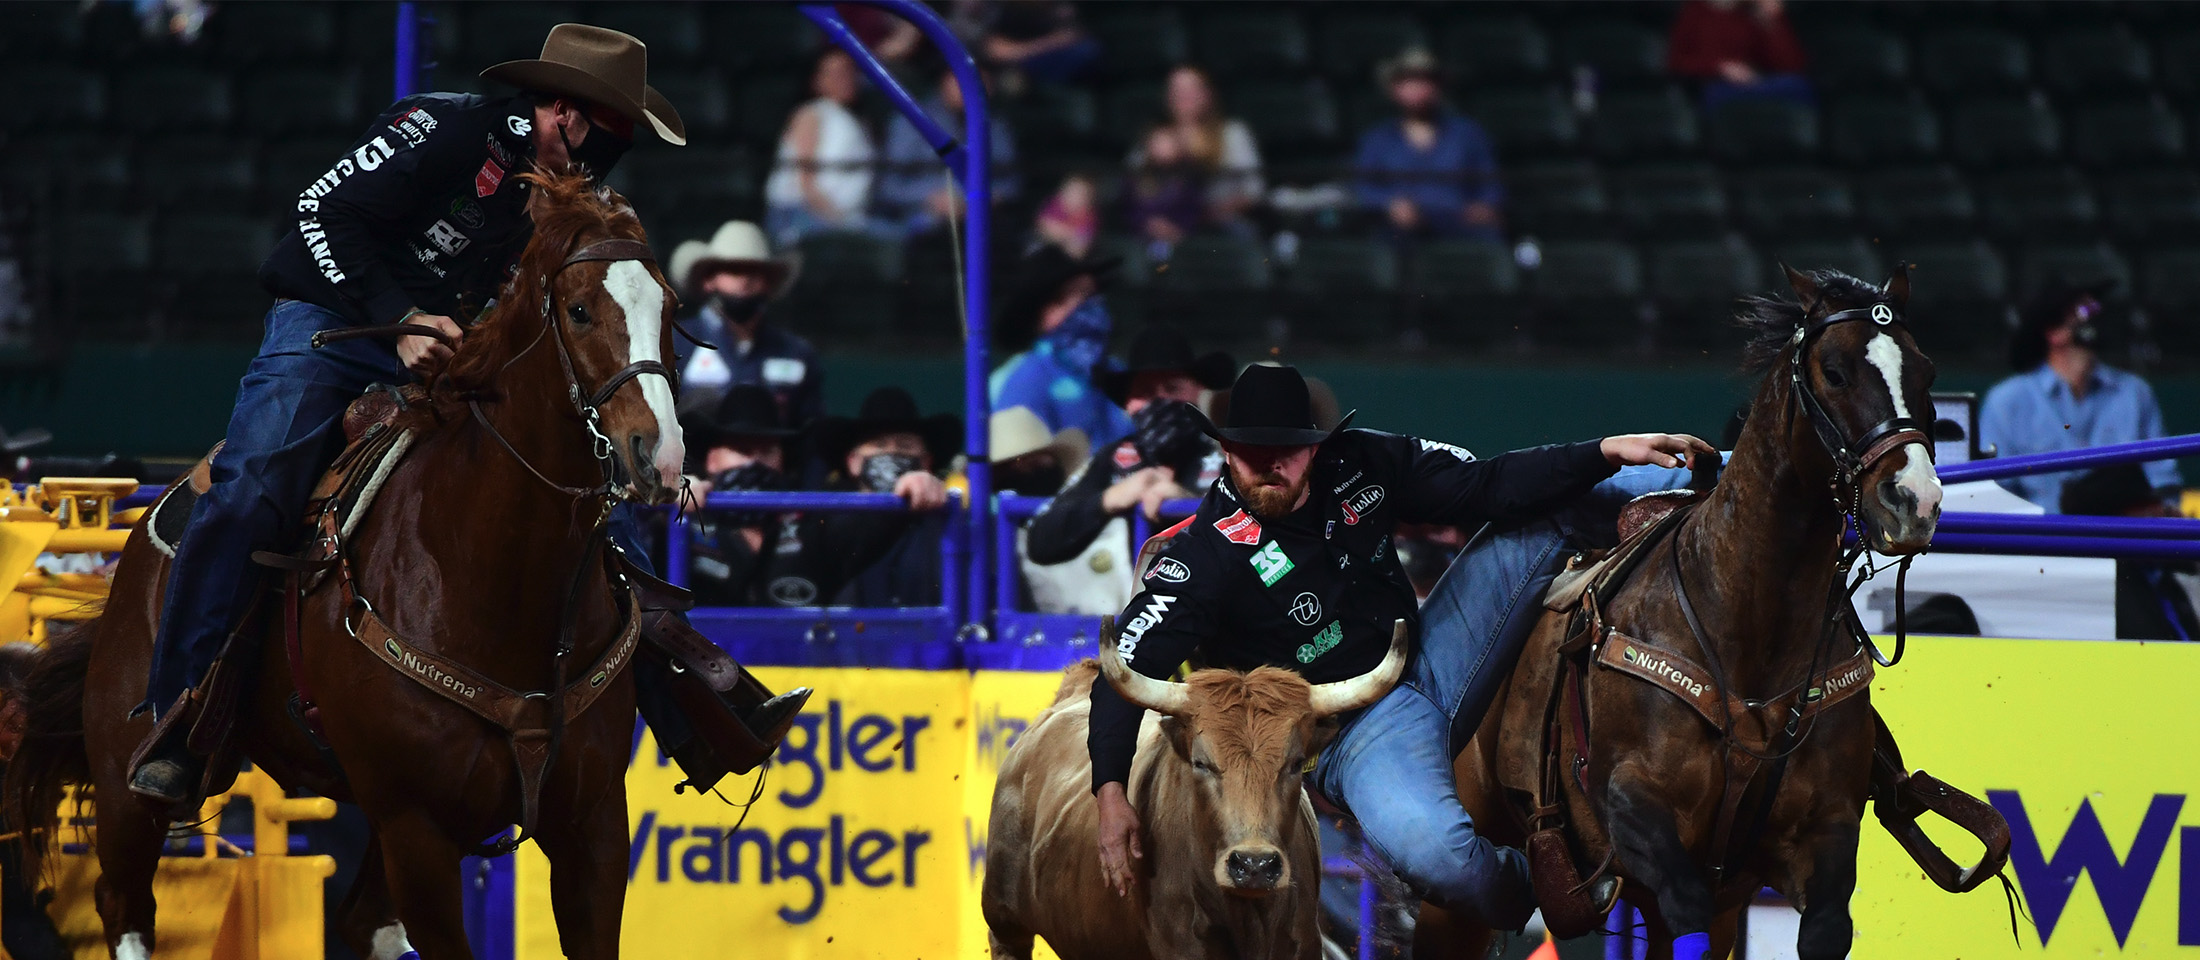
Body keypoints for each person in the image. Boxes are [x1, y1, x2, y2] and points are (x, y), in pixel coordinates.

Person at [130, 25, 804, 804]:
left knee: (576, 507)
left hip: (454, 349)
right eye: (606, 141)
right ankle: (176, 712)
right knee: (251, 489)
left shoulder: (571, 203)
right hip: (333, 328)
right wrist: (403, 316)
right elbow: (318, 216)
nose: (603, 164)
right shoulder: (443, 127)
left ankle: (695, 707)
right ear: (566, 113)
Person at [1087, 364, 1715, 936]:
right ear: (1226, 452)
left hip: (1434, 648)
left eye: (1288, 451)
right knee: (1442, 860)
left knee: (1562, 502)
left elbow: (1484, 486)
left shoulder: (1360, 461)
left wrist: (1605, 451)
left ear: (1315, 447)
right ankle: (1547, 886)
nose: (1270, 467)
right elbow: (1126, 666)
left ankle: (1739, 483)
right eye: (1252, 454)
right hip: (1351, 725)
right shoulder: (1205, 557)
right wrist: (1110, 792)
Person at [1979, 281, 2180, 513]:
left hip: (2122, 540)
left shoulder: (2134, 393)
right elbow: (1994, 491)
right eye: (2083, 311)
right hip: (2039, 541)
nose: (2094, 317)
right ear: (2054, 332)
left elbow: (2164, 481)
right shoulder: (2008, 401)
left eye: (2095, 309)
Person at [811, 387, 958, 606]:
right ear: (853, 462)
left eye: (905, 446)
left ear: (926, 463)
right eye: (879, 445)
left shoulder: (948, 526)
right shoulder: (823, 522)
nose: (891, 453)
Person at [667, 220, 822, 424]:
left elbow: (810, 432)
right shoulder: (674, 345)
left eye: (754, 271)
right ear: (708, 280)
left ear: (769, 282)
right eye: (733, 270)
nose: (744, 280)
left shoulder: (796, 353)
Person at [989, 244, 1131, 455]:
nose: (1083, 307)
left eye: (1089, 296)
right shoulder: (1026, 378)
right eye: (1063, 299)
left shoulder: (1120, 372)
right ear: (1039, 318)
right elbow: (1017, 469)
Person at [1353, 48, 1504, 243]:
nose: (1417, 88)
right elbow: (1362, 186)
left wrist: (1484, 205)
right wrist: (1389, 204)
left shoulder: (1468, 134)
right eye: (1408, 80)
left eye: (1425, 80)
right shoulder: (1377, 139)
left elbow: (1490, 181)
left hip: (1459, 223)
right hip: (1399, 230)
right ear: (1394, 89)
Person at [681, 384, 807, 606]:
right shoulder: (681, 518)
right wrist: (664, 494)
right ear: (711, 459)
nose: (754, 463)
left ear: (783, 459)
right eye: (742, 451)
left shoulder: (809, 524)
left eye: (766, 451)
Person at [875, 66, 1020, 238]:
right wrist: (930, 198)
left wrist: (983, 198)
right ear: (944, 81)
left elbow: (1012, 183)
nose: (972, 91)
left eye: (981, 84)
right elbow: (888, 187)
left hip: (983, 217)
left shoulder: (996, 126)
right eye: (964, 82)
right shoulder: (913, 120)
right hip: (922, 218)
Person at [2061, 464, 2199, 642]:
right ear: (2116, 521)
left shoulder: (2163, 576)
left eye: (2157, 504)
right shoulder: (2112, 588)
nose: (2161, 512)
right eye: (2145, 506)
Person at [1126, 65, 1265, 232]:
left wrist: (1205, 216)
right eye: (1177, 90)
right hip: (1161, 222)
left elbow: (1254, 190)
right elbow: (1131, 180)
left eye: (1192, 89)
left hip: (1219, 224)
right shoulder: (1156, 135)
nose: (1184, 96)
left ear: (1207, 94)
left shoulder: (1232, 133)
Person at [765, 49, 878, 245]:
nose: (845, 79)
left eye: (848, 72)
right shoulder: (811, 114)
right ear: (817, 80)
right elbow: (805, 182)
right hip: (802, 214)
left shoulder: (859, 121)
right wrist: (840, 223)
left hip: (848, 217)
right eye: (835, 74)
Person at [1666, 0, 1812, 109]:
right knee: (1714, 95)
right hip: (1712, 86)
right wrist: (1720, 68)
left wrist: (1772, 24)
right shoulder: (1695, 11)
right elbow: (1676, 62)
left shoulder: (1754, 13)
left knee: (1797, 85)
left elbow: (1792, 65)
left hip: (1755, 85)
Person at [974, 0, 1099, 85]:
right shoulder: (996, 12)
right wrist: (1054, 41)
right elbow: (997, 52)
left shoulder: (1051, 12)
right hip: (1002, 71)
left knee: (1088, 51)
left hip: (1063, 64)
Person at [1125, 126, 1208, 249]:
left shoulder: (1189, 178)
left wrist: (1176, 229)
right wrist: (1148, 224)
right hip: (1141, 238)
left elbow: (1194, 209)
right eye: (1158, 143)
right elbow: (1128, 208)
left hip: (1181, 239)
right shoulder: (1136, 177)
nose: (1163, 148)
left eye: (1168, 143)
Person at [1035, 173, 1099, 258]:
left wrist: (1067, 233)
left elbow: (1085, 236)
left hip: (1068, 250)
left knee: (1077, 250)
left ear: (1088, 200)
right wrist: (1065, 231)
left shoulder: (1088, 215)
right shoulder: (1054, 204)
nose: (1073, 197)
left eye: (1080, 195)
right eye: (1070, 192)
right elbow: (1043, 223)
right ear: (1061, 192)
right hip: (1044, 243)